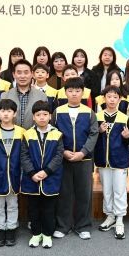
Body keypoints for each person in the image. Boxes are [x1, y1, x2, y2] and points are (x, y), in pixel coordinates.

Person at [52, 77, 99, 240]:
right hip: (63, 159)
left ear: (83, 93)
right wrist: (63, 151)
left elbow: (94, 134)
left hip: (84, 160)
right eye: (70, 90)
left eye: (77, 91)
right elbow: (54, 134)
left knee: (84, 193)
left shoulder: (89, 112)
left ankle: (83, 226)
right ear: (65, 92)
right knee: (64, 193)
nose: (74, 94)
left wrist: (83, 152)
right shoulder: (58, 112)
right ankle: (62, 225)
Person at [21, 100, 64, 249]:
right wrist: (32, 173)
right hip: (31, 179)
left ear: (50, 116)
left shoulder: (57, 134)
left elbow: (59, 156)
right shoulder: (27, 134)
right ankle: (36, 234)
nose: (42, 117)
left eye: (45, 114)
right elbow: (24, 156)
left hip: (50, 178)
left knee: (49, 209)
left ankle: (47, 235)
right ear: (33, 117)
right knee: (33, 209)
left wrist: (46, 171)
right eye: (38, 115)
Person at [0, 99, 24, 247]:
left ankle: (11, 229)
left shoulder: (21, 132)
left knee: (13, 205)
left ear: (14, 113)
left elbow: (24, 157)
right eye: (2, 111)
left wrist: (22, 176)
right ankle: (0, 229)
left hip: (14, 175)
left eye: (9, 111)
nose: (6, 114)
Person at [94, 85, 129, 240]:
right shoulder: (97, 116)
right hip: (103, 161)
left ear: (119, 99)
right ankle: (110, 216)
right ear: (104, 99)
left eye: (115, 97)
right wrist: (99, 131)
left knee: (119, 190)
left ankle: (120, 219)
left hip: (119, 160)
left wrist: (127, 136)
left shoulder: (124, 117)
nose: (112, 100)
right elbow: (92, 138)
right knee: (107, 190)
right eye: (109, 96)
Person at [2, 59, 48, 129]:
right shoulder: (5, 96)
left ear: (32, 74)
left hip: (34, 134)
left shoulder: (41, 96)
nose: (22, 76)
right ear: (14, 74)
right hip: (12, 134)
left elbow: (45, 120)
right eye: (19, 73)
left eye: (26, 72)